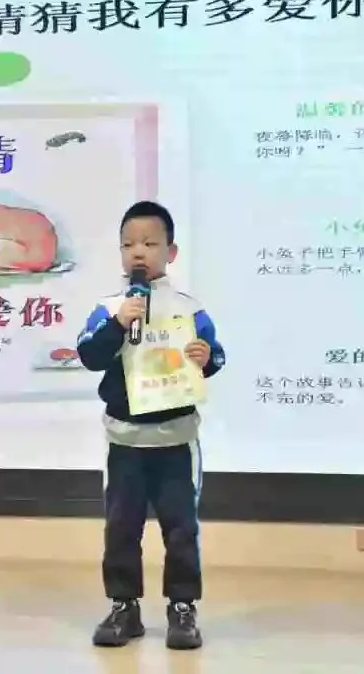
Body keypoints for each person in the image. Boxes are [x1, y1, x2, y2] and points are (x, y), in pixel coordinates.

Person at [76, 201, 226, 650]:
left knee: (181, 528)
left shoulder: (188, 308)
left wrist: (206, 357)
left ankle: (182, 607)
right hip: (125, 441)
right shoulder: (110, 307)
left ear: (171, 251)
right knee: (122, 527)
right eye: (128, 244)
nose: (138, 252)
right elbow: (89, 355)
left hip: (176, 441)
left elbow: (215, 355)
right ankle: (124, 606)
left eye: (149, 243)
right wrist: (119, 324)